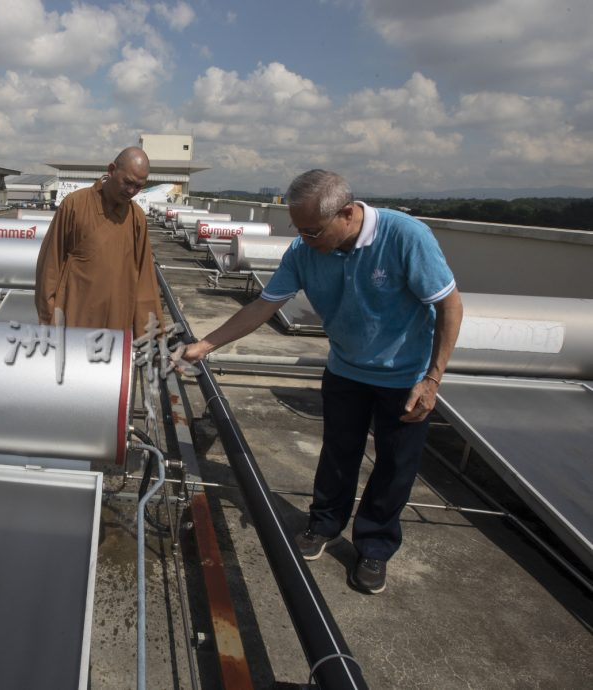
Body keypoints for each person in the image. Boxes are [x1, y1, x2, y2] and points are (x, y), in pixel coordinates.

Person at [182, 169, 463, 594]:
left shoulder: (407, 237)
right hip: (346, 369)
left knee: (394, 466)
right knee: (337, 453)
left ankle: (374, 546)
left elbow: (450, 307)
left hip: (404, 378)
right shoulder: (305, 250)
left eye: (312, 230)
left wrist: (433, 378)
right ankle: (324, 524)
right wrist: (206, 344)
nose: (304, 239)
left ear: (347, 214)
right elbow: (264, 305)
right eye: (299, 229)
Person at [35, 147, 164, 337]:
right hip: (73, 318)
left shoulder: (136, 217)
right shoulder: (75, 205)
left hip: (116, 321)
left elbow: (145, 279)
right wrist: (48, 322)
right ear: (111, 170)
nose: (131, 191)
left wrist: (153, 339)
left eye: (138, 186)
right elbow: (50, 267)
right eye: (127, 182)